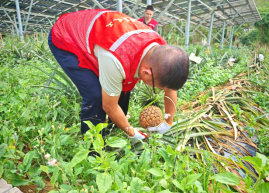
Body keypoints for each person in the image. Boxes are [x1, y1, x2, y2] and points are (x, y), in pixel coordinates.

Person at [48, 9, 189, 140]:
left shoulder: (161, 51)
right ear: (147, 72)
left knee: (119, 83)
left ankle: (114, 126)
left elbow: (170, 87)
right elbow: (109, 105)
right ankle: (93, 147)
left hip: (102, 33)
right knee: (96, 95)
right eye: (156, 87)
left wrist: (168, 122)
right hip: (66, 36)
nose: (158, 90)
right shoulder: (115, 58)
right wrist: (132, 132)